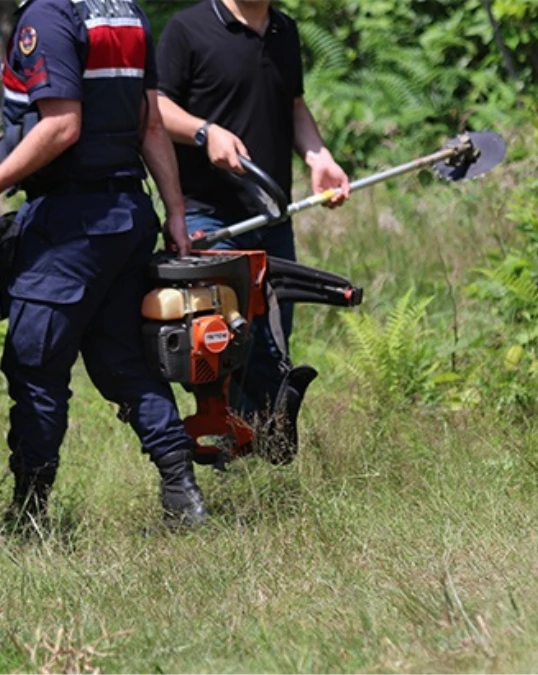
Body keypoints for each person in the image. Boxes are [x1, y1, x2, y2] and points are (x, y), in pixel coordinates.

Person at [1, 0, 207, 529]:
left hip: (69, 225)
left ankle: (29, 515)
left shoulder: (48, 16)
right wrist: (175, 211)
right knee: (124, 362)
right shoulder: (124, 12)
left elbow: (61, 127)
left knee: (35, 365)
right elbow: (151, 124)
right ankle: (182, 493)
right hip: (126, 215)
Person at [155, 0, 351, 450]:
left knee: (272, 341)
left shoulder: (284, 30)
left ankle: (256, 446)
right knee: (220, 344)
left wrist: (318, 157)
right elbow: (156, 109)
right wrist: (205, 132)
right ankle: (235, 448)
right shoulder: (188, 29)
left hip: (272, 214)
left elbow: (294, 106)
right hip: (210, 215)